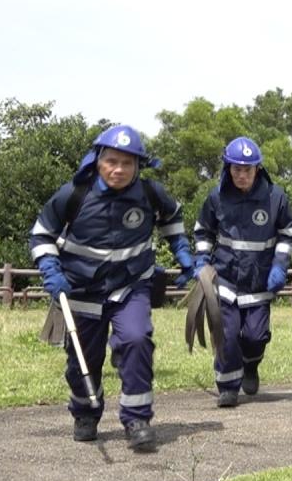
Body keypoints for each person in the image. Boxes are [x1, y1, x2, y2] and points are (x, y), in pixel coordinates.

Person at [29, 124, 193, 451]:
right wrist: (50, 270)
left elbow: (172, 220)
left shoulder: (150, 194)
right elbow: (41, 235)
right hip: (80, 292)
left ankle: (137, 419)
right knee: (82, 361)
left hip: (130, 288)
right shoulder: (73, 194)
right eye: (112, 162)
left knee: (136, 340)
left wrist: (185, 254)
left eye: (127, 163)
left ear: (137, 166)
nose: (118, 170)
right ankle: (86, 413)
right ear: (98, 160)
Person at [192, 137, 292, 407]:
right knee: (226, 334)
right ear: (228, 168)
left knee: (254, 336)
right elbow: (203, 231)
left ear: (257, 170)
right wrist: (202, 259)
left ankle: (251, 365)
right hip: (225, 278)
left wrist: (279, 266)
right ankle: (228, 386)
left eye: (247, 170)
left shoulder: (275, 198)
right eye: (236, 169)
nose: (241, 175)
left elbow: (287, 234)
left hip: (259, 280)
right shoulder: (216, 197)